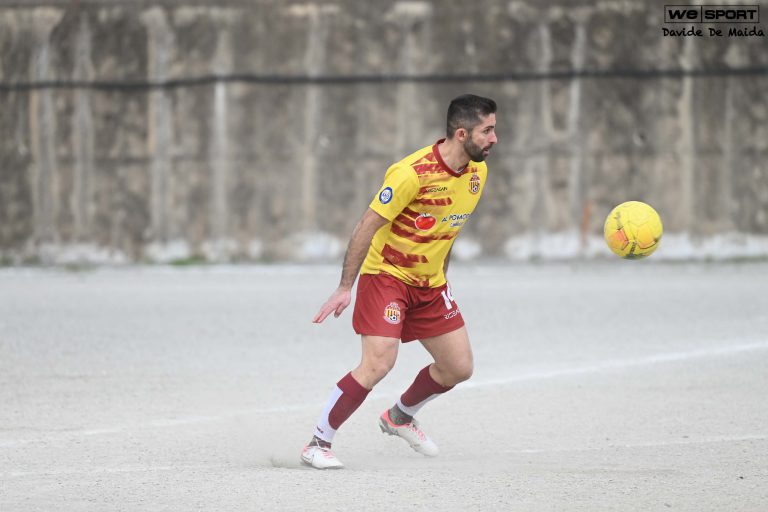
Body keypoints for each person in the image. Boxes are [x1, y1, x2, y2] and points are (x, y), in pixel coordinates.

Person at [302, 94, 498, 469]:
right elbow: (366, 226)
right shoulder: (411, 174)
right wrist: (345, 287)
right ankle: (317, 443)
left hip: (431, 284)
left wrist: (441, 281)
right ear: (462, 134)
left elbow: (448, 230)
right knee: (378, 363)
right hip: (387, 276)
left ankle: (400, 417)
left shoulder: (478, 173)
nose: (494, 139)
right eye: (487, 131)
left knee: (458, 367)